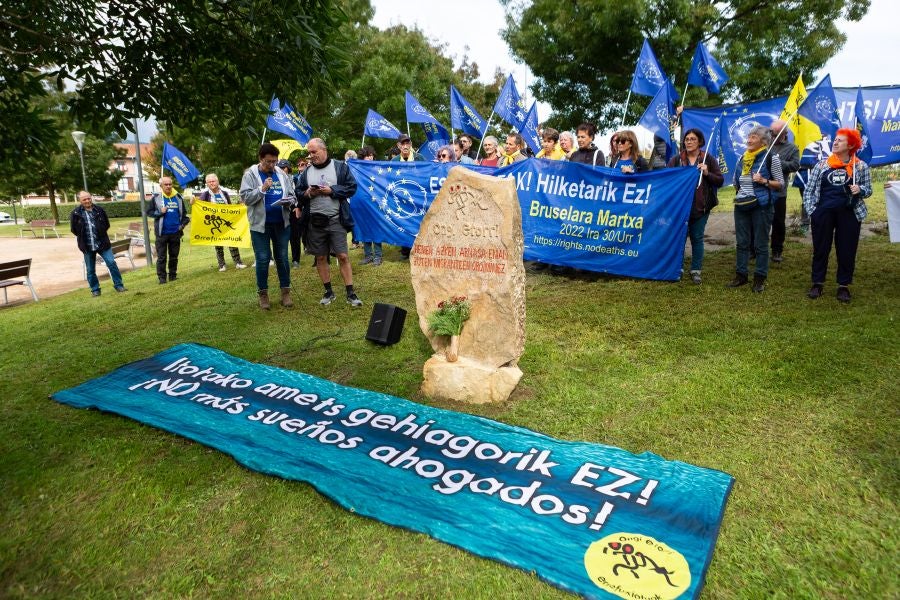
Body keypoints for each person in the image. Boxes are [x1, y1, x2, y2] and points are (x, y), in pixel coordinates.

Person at [802, 128, 872, 303]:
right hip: (823, 213)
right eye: (835, 140)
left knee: (847, 250)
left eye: (840, 140)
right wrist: (813, 212)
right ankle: (817, 283)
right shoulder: (822, 165)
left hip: (849, 214)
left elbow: (869, 190)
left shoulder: (860, 166)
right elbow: (809, 191)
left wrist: (860, 189)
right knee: (821, 249)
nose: (835, 142)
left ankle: (843, 286)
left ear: (850, 145)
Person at [296, 138, 362, 307]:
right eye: (309, 153)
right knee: (320, 257)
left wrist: (332, 191)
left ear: (323, 150)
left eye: (313, 152)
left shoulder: (340, 167)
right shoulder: (306, 172)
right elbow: (298, 192)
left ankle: (351, 293)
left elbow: (352, 187)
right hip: (315, 221)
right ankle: (328, 292)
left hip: (336, 219)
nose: (310, 156)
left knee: (343, 256)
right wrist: (309, 193)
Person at [239, 143, 295, 310]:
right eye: (268, 162)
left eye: (274, 161)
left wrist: (290, 201)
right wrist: (262, 189)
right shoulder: (250, 175)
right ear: (261, 159)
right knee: (263, 260)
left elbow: (291, 193)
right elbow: (246, 198)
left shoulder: (281, 174)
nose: (272, 165)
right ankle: (263, 294)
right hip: (260, 226)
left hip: (281, 223)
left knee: (283, 259)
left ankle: (285, 292)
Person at [728, 125, 784, 292]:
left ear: (763, 141)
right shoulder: (742, 158)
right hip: (742, 204)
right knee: (742, 242)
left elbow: (780, 184)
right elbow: (736, 180)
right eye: (749, 136)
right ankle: (741, 275)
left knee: (760, 244)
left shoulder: (770, 158)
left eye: (753, 137)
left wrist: (764, 181)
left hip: (761, 206)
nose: (748, 140)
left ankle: (759, 278)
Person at [667, 128, 724, 284]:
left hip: (700, 206)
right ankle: (677, 268)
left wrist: (707, 174)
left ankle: (696, 270)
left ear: (700, 141)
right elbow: (667, 180)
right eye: (687, 139)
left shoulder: (708, 159)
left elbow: (719, 180)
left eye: (693, 139)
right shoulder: (676, 160)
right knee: (679, 238)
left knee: (697, 238)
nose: (689, 141)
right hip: (680, 207)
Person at [70, 191, 126, 296]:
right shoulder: (76, 213)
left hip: (103, 244)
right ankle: (95, 290)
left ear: (91, 198)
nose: (87, 201)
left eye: (88, 198)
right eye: (84, 199)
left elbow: (106, 225)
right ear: (80, 201)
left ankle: (119, 285)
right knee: (90, 270)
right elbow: (74, 230)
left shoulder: (99, 210)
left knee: (112, 263)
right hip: (87, 246)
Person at [195, 173, 246, 272]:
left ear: (217, 182)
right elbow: (200, 207)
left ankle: (238, 263)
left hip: (226, 222)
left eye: (213, 181)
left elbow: (230, 207)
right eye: (209, 182)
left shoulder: (225, 193)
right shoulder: (205, 195)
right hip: (215, 223)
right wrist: (194, 202)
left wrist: (239, 207)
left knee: (232, 242)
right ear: (207, 184)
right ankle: (222, 265)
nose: (211, 183)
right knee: (218, 245)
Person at [767, 119, 800, 263]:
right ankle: (753, 249)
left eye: (773, 133)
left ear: (784, 133)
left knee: (778, 222)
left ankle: (777, 250)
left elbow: (795, 166)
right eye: (770, 131)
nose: (771, 135)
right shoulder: (764, 144)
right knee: (757, 221)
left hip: (778, 191)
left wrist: (776, 162)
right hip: (761, 189)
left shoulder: (792, 148)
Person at [146, 176, 189, 284]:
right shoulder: (156, 198)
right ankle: (162, 278)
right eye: (166, 184)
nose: (169, 186)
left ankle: (173, 276)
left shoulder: (178, 197)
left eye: (170, 184)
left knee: (174, 256)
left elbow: (184, 215)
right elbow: (149, 212)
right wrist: (160, 212)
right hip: (162, 234)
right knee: (161, 257)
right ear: (161, 186)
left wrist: (182, 226)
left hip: (175, 232)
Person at [357, 148, 383, 266]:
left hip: (375, 203)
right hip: (362, 204)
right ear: (362, 157)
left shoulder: (377, 169)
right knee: (365, 228)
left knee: (375, 229)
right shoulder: (357, 170)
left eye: (372, 155)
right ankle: (368, 255)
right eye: (367, 155)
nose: (370, 157)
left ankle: (378, 256)